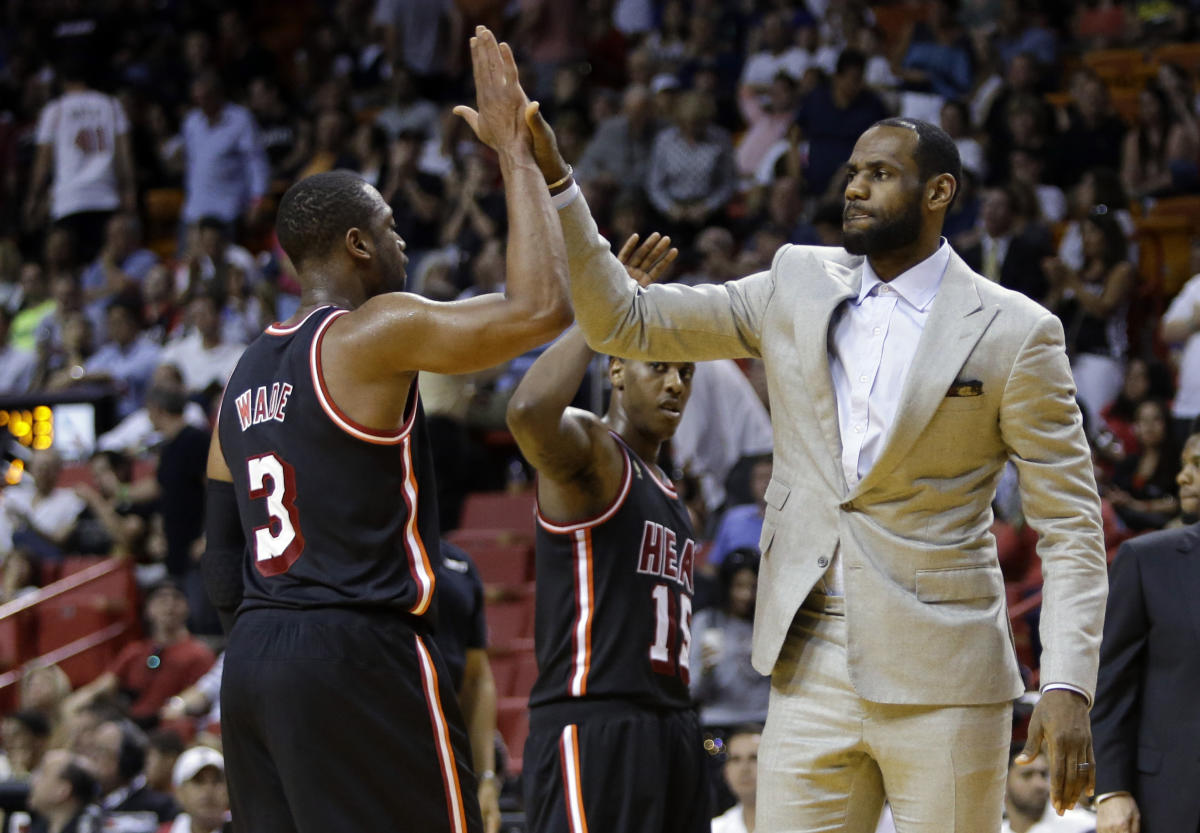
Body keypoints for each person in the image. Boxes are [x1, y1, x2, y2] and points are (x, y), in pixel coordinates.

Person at [525, 105, 1107, 830]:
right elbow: (625, 322)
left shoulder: (1017, 331)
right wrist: (559, 181)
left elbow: (1072, 527)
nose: (855, 188)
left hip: (946, 673)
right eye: (853, 172)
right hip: (806, 664)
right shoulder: (794, 279)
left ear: (939, 193)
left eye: (881, 174)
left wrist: (1067, 682)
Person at [200, 27, 570, 833]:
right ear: (359, 243)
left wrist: (273, 635)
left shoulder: (242, 373)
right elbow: (541, 307)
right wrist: (515, 152)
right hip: (357, 650)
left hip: (257, 665)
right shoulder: (371, 331)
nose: (403, 242)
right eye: (393, 228)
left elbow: (219, 562)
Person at [505, 231, 710, 833]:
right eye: (658, 368)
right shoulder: (596, 453)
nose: (675, 383)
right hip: (596, 722)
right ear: (616, 370)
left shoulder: (674, 495)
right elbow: (526, 413)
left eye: (686, 372)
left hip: (673, 724)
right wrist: (600, 318)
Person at [1091, 431, 1200, 833]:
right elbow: (1111, 684)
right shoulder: (1147, 559)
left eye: (1198, 466)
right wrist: (1111, 790)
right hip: (1172, 800)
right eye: (1185, 464)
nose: (1182, 478)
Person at [63, 579, 215, 728]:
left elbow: (205, 696)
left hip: (173, 726)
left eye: (176, 599)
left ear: (187, 607)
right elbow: (104, 685)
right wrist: (74, 703)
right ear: (148, 609)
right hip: (132, 724)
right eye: (161, 600)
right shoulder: (135, 651)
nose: (169, 606)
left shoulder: (199, 654)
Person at [690, 549, 769, 731]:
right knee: (714, 751)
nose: (746, 595)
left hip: (762, 723)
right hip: (717, 726)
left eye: (754, 587)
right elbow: (693, 692)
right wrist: (705, 670)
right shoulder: (707, 621)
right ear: (725, 585)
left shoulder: (769, 623)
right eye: (738, 586)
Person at [1002, 746, 1096, 833]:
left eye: (1043, 774)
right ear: (1004, 783)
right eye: (1027, 775)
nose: (1039, 785)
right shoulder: (996, 829)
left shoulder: (1083, 826)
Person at [24, 749, 106, 833]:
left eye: (43, 773)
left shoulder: (88, 828)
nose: (33, 779)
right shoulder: (37, 827)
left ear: (62, 791)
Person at [161, 746, 229, 833]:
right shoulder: (164, 831)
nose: (208, 789)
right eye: (199, 781)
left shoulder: (246, 827)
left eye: (217, 780)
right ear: (179, 792)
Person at [711, 725, 762, 833]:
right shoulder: (715, 829)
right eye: (736, 759)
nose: (744, 769)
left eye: (754, 758)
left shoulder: (797, 826)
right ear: (726, 771)